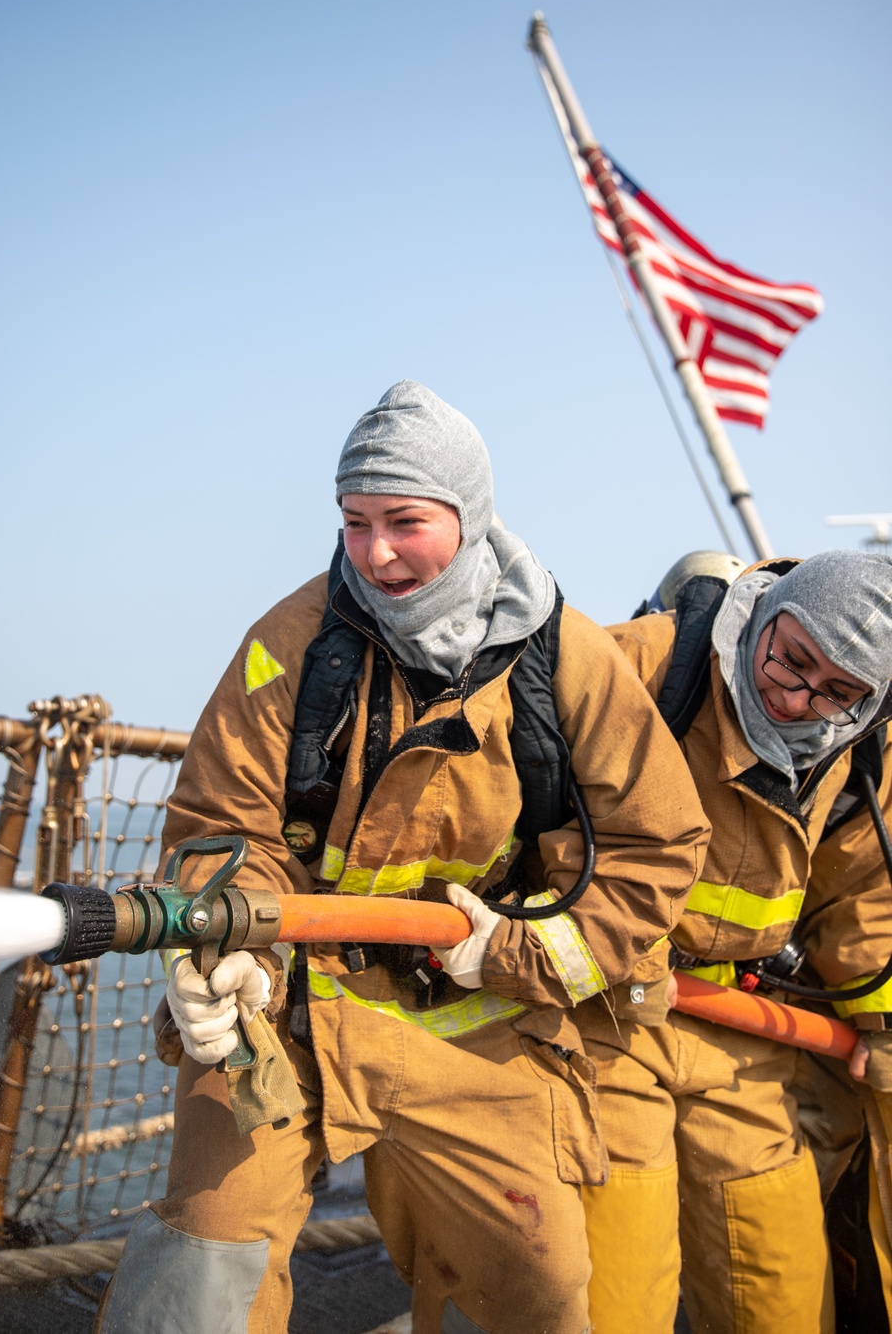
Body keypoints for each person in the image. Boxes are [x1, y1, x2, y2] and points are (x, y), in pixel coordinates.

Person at [95, 380, 709, 1334]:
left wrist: (522, 953)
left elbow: (658, 840)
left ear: (470, 515)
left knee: (535, 1283)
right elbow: (225, 822)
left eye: (406, 522)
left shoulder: (568, 661)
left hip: (476, 1021)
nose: (376, 553)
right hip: (289, 1013)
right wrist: (231, 954)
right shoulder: (290, 644)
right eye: (353, 522)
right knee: (208, 1258)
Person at [579, 550, 892, 1334]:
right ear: (765, 613)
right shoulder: (631, 669)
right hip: (604, 1023)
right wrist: (610, 946)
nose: (797, 698)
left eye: (836, 692)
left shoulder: (862, 749)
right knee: (614, 1297)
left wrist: (883, 1023)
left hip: (745, 1038)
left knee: (783, 1297)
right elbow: (520, 815)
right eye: (790, 661)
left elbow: (862, 898)